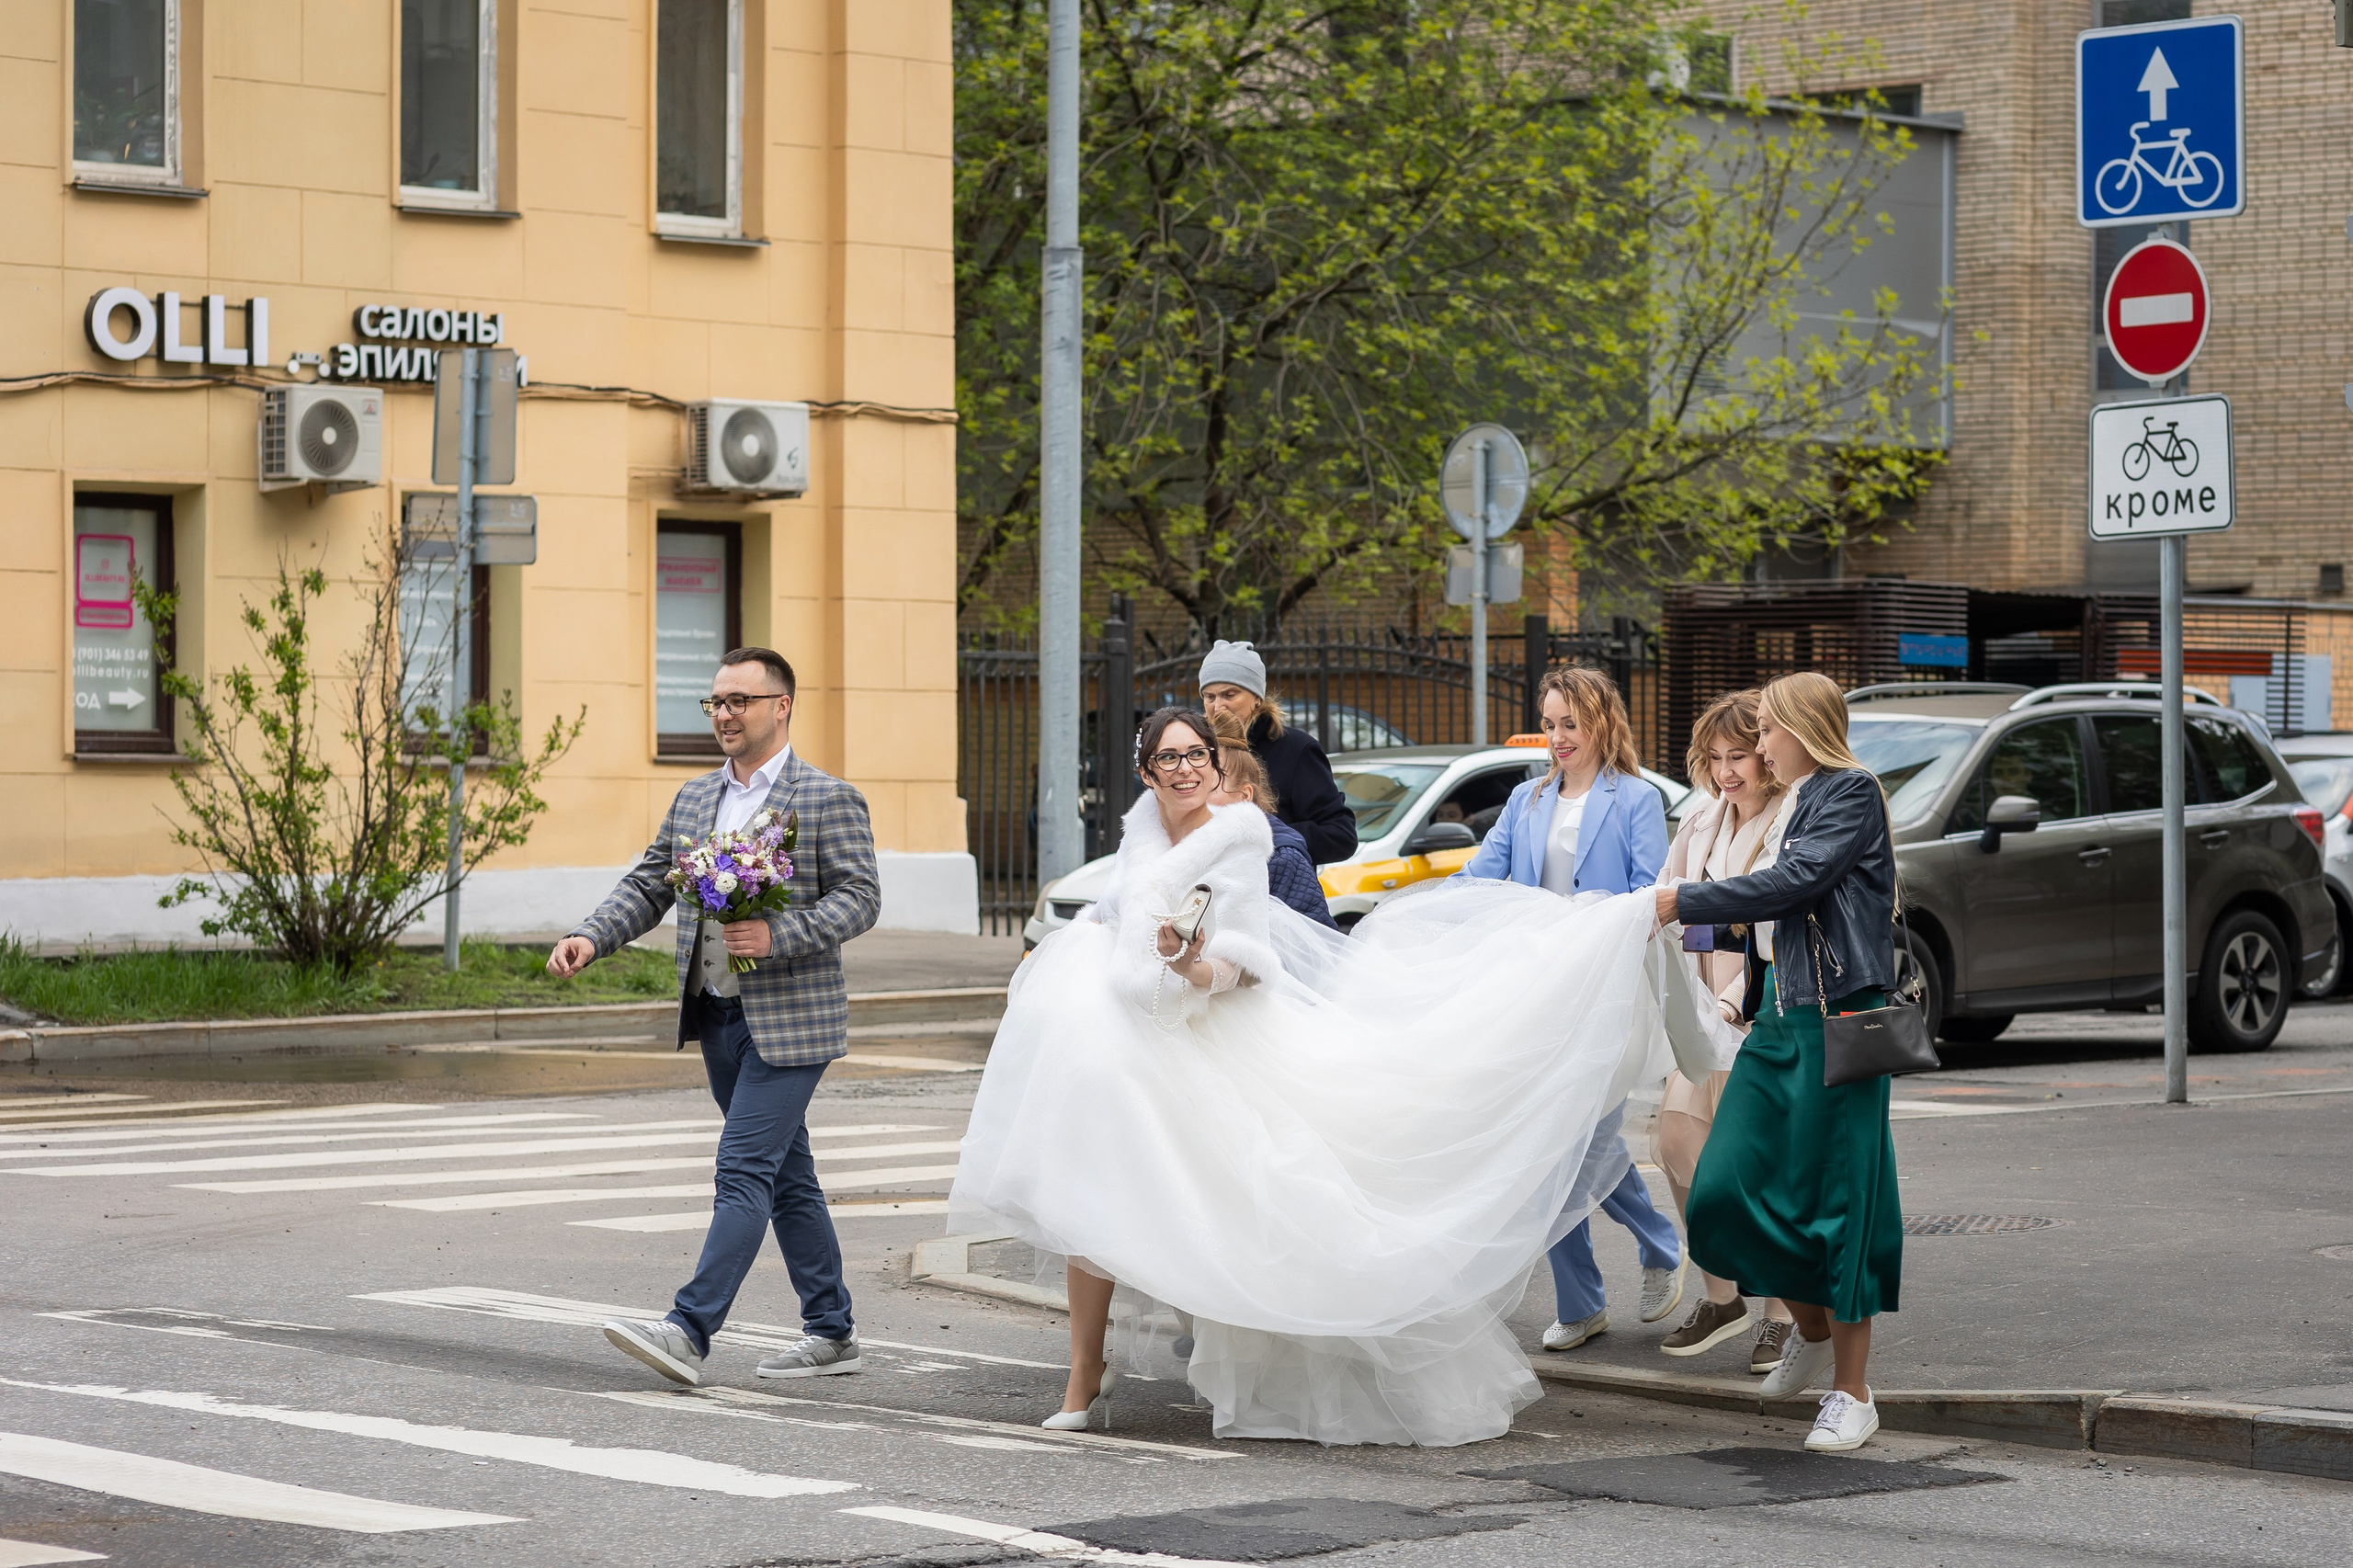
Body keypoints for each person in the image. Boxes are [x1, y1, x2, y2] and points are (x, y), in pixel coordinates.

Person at [953, 706, 1679, 1447]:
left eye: (1195, 755)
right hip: (1129, 1039)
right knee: (1092, 1195)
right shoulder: (1139, 838)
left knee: (1228, 1207)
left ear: (1213, 761)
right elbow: (1110, 918)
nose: (1184, 770)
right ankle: (1083, 1370)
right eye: (1167, 759)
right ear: (1146, 772)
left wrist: (1189, 963)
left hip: (1214, 1038)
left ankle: (1228, 1340)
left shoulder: (1238, 839)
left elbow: (1244, 960)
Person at [548, 646, 881, 1388]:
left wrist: (778, 933)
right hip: (718, 1015)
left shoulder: (827, 798)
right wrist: (590, 936)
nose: (725, 715)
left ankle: (689, 1330)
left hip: (793, 1021)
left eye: (739, 701)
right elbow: (648, 883)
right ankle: (831, 1330)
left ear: (780, 706)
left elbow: (861, 898)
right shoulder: (697, 798)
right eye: (716, 703)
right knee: (787, 1175)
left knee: (743, 1168)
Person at [1658, 670, 1903, 1453]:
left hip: (1841, 1022)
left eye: (1765, 731)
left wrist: (1680, 901)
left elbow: (1796, 883)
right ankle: (1815, 1332)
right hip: (1779, 1020)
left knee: (1838, 1206)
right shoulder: (1796, 802)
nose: (1757, 746)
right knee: (1725, 1193)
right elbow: (1774, 921)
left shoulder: (1849, 792)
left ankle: (1853, 1394)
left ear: (1801, 728)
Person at [1461, 665, 1681, 1354]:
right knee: (1551, 1146)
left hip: (1609, 989)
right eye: (1550, 723)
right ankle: (1585, 1300)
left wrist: (1591, 924)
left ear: (1600, 723)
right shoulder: (1526, 801)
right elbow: (1481, 875)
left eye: (1570, 724)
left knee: (1583, 1142)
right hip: (1541, 992)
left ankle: (1659, 1246)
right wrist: (1426, 910)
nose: (1558, 737)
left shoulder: (1637, 799)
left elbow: (1651, 892)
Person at [1653, 689, 1799, 1371]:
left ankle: (1779, 1314)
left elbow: (1774, 928)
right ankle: (1721, 1295)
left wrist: (1737, 999)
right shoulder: (1702, 820)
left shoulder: (1791, 820)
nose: (1725, 772)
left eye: (1738, 755)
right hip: (1700, 1012)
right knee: (1677, 1138)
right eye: (1714, 758)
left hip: (1761, 1013)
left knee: (1766, 1167)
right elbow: (1670, 900)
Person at [1198, 641, 1358, 865]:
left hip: (1279, 890)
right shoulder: (1197, 752)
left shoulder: (1297, 749)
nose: (1218, 706)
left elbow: (1340, 836)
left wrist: (1265, 838)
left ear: (1256, 698)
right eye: (1209, 696)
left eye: (1230, 694)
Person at [1211, 741, 1340, 930]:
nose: (1197, 797)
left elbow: (1314, 943)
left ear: (1245, 795)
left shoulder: (1281, 858)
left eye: (1211, 787)